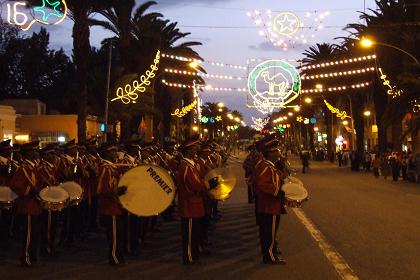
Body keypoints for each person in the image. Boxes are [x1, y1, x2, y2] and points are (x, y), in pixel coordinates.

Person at [10, 140, 43, 267]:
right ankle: (25, 257)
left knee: (35, 233)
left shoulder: (34, 167)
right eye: (33, 150)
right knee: (28, 234)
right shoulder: (23, 169)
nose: (36, 152)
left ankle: (33, 255)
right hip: (27, 206)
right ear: (28, 153)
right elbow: (15, 186)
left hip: (36, 206)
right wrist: (30, 191)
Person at [254, 135, 286, 265]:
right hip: (269, 204)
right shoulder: (266, 166)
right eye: (276, 150)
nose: (279, 152)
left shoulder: (268, 165)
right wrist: (278, 192)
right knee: (269, 232)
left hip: (267, 204)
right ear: (270, 153)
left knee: (267, 232)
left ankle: (269, 253)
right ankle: (270, 256)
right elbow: (262, 184)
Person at [176, 137, 206, 265]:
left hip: (195, 204)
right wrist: (207, 185)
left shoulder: (191, 164)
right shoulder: (186, 166)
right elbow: (195, 185)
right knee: (189, 234)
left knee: (195, 232)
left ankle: (193, 254)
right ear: (187, 150)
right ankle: (188, 256)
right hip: (189, 205)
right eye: (194, 147)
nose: (196, 149)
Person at [97, 143, 126, 266]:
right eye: (113, 152)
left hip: (116, 206)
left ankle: (118, 255)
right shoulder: (106, 168)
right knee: (114, 235)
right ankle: (114, 257)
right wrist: (120, 190)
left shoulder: (113, 167)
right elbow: (102, 189)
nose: (116, 154)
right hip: (111, 207)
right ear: (107, 154)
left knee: (119, 234)